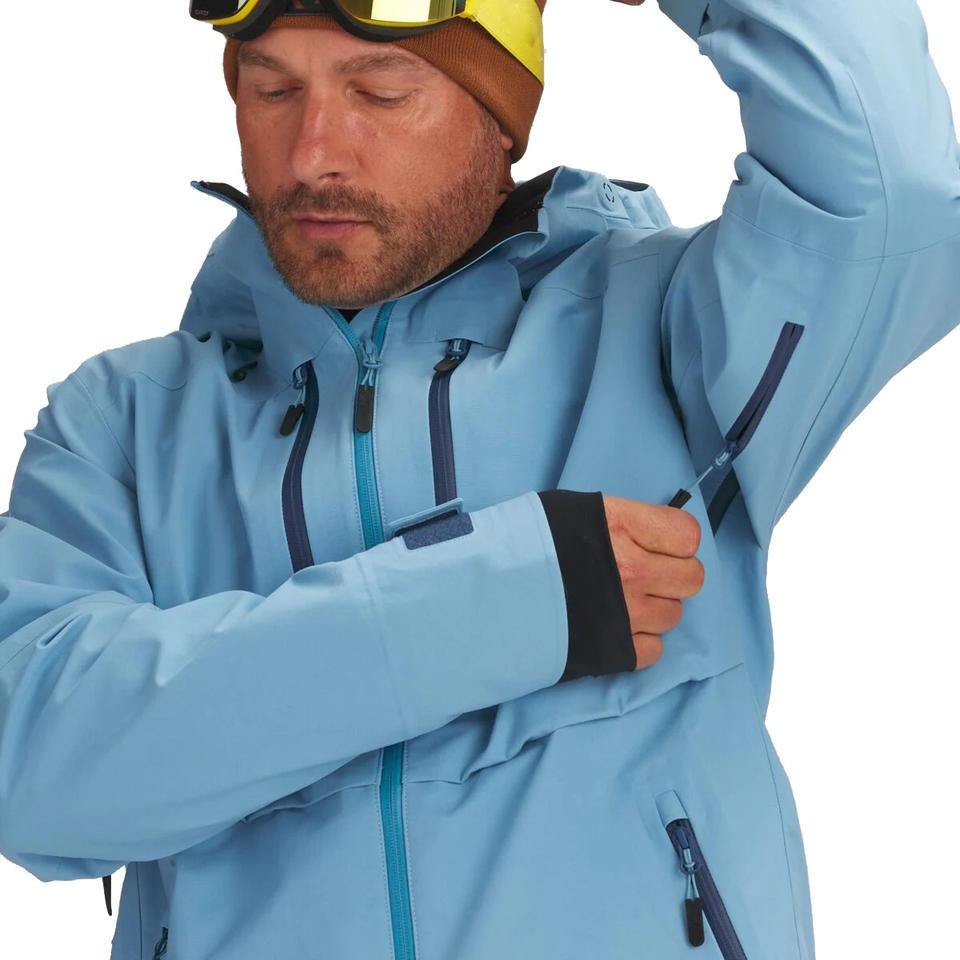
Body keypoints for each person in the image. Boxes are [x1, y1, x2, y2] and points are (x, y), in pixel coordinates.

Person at [0, 1, 956, 957]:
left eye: (379, 92)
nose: (312, 154)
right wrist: (504, 601)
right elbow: (33, 776)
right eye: (273, 90)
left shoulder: (675, 336)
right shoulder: (124, 422)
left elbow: (894, 190)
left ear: (500, 117)